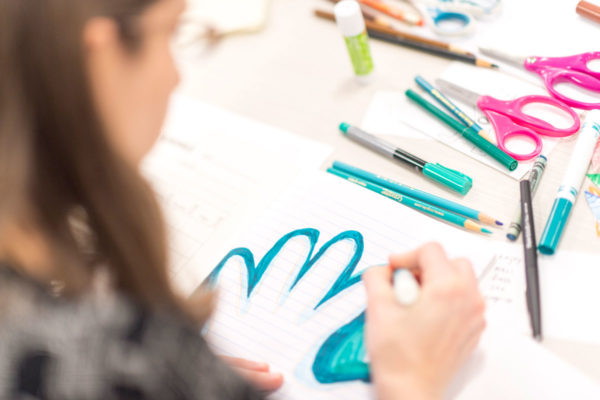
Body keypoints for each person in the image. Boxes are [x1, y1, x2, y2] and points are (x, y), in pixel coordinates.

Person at [0, 0, 485, 399]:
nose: (175, 77)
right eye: (172, 34)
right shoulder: (108, 361)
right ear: (99, 60)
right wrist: (411, 381)